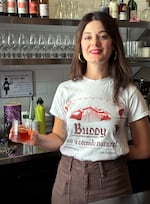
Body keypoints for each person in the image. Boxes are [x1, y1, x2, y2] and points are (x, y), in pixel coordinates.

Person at [9, 11, 150, 204]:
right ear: (80, 45)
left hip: (112, 180)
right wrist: (37, 138)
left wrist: (110, 154)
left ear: (114, 45)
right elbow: (58, 139)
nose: (95, 43)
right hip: (68, 178)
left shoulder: (129, 92)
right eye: (88, 37)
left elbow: (144, 149)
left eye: (103, 36)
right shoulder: (66, 89)